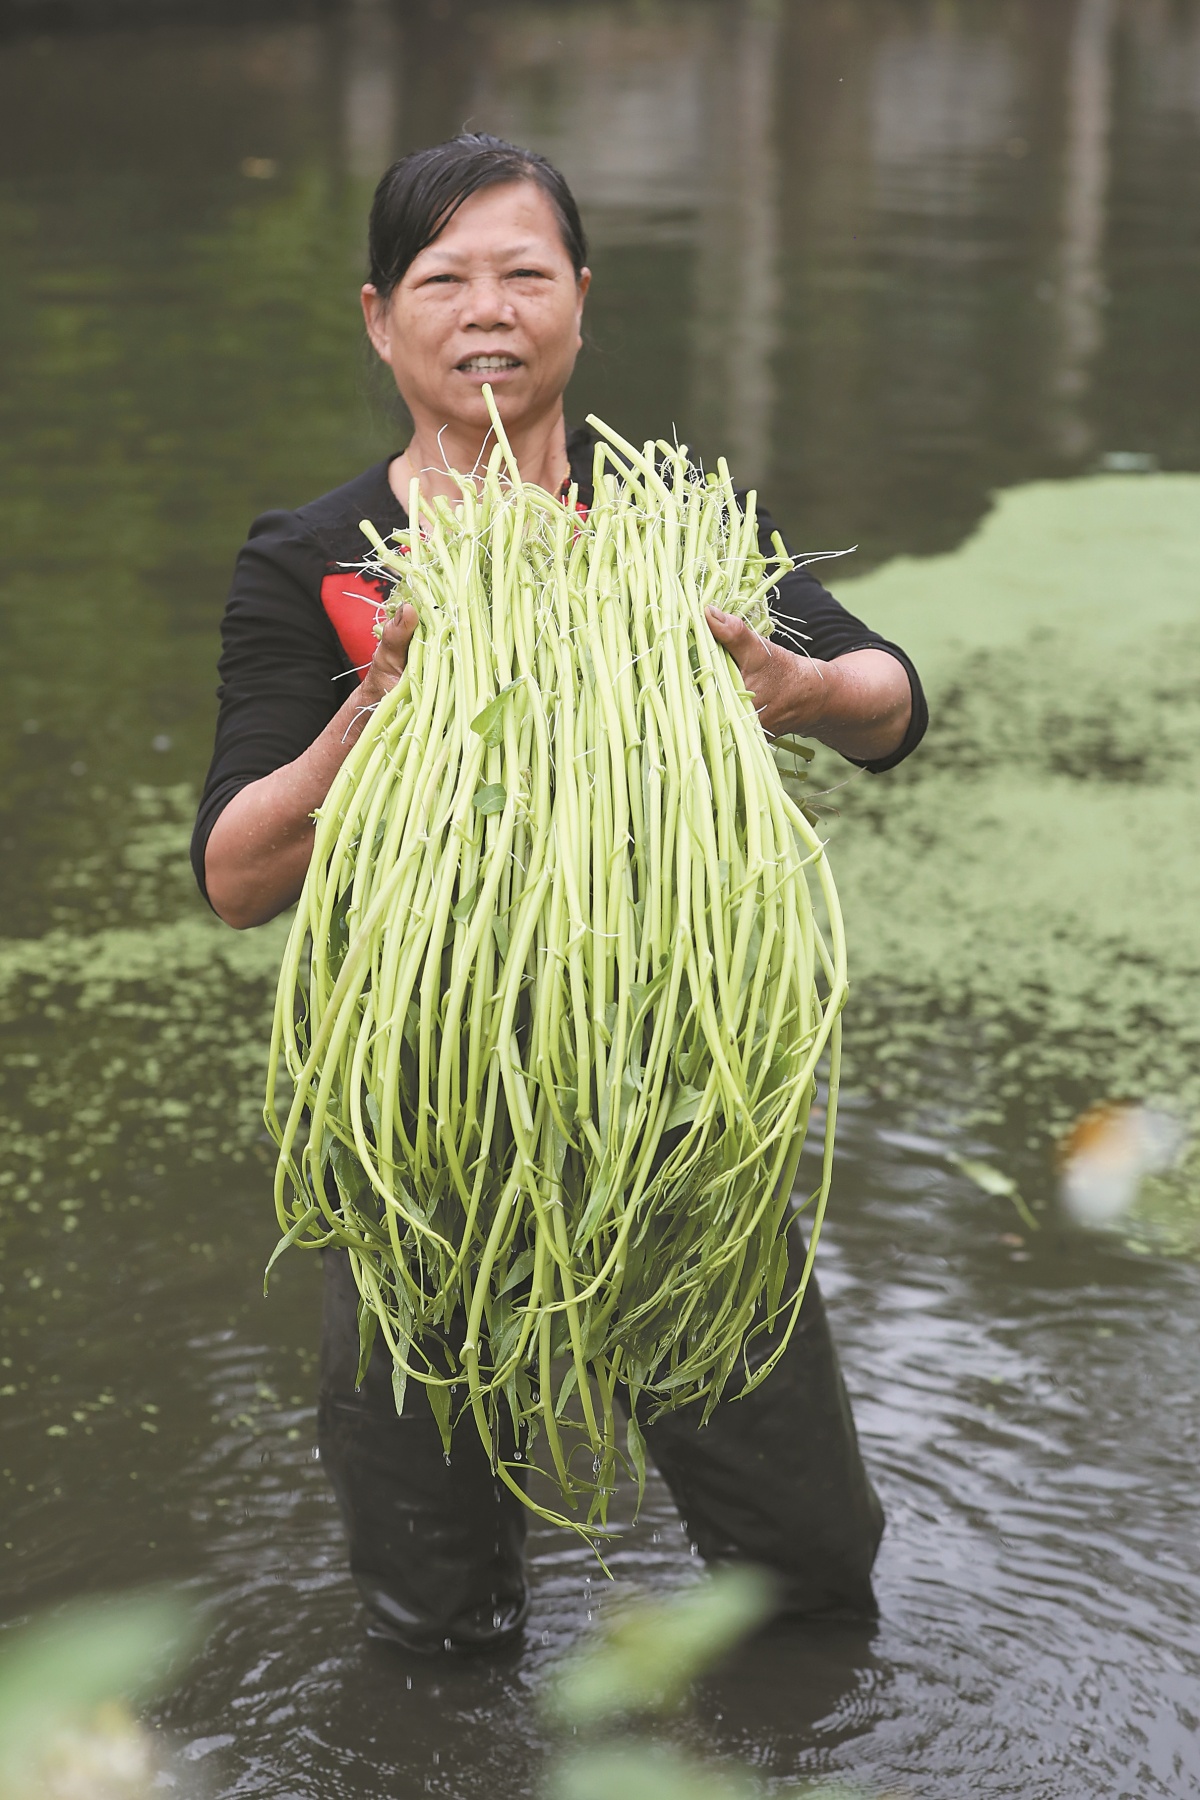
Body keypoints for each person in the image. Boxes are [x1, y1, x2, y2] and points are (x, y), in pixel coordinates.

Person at [191, 133, 927, 1654]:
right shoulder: (318, 561)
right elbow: (236, 873)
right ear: (380, 316)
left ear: (581, 301)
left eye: (525, 272)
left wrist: (801, 683)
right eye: (444, 278)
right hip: (422, 1126)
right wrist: (370, 711)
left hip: (677, 1107)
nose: (489, 309)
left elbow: (895, 704)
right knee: (435, 1612)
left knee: (806, 1570)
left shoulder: (678, 533)